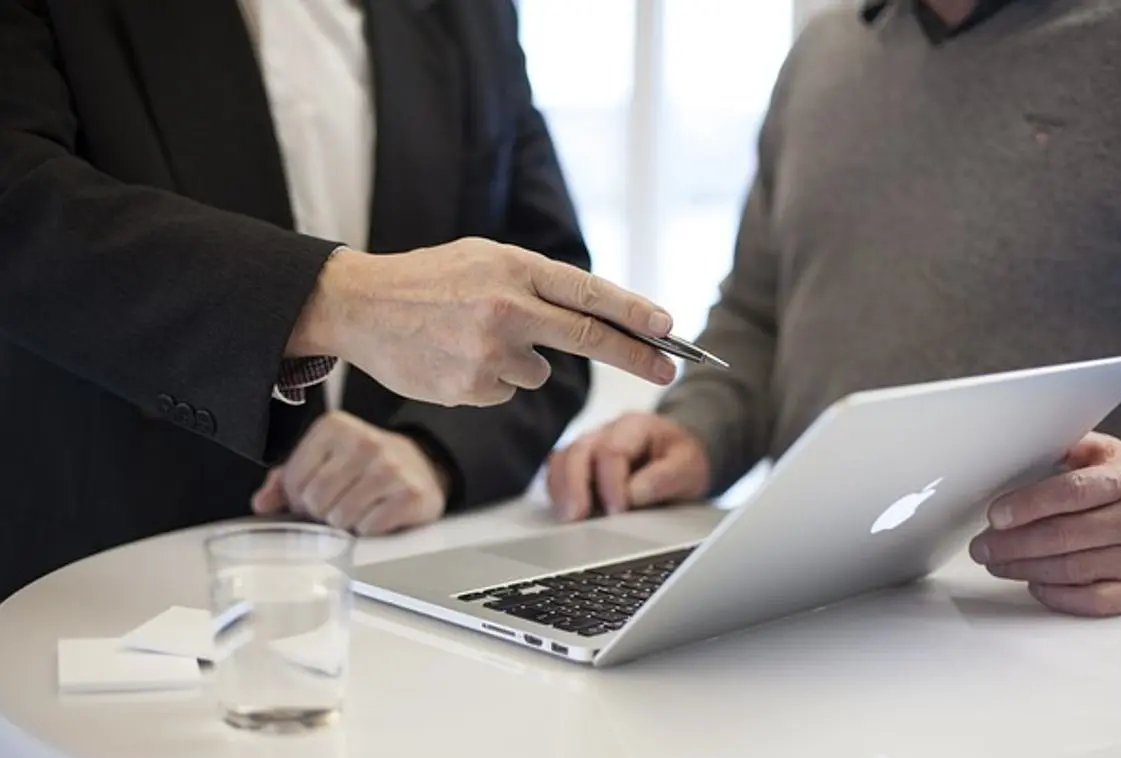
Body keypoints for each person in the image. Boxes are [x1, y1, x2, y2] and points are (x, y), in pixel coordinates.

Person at [0, 0, 681, 601]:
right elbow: (21, 204)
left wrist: (433, 452)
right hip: (83, 597)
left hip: (386, 610)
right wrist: (336, 299)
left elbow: (546, 312)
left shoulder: (469, 12)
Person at [547, 0, 1121, 620]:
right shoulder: (822, 56)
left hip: (1078, 653)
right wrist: (695, 431)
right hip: (803, 616)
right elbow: (757, 316)